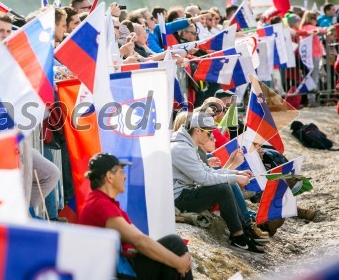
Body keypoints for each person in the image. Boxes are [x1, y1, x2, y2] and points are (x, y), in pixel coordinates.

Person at [78, 153, 193, 279]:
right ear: (109, 176)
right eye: (121, 172)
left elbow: (139, 239)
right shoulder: (101, 205)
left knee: (170, 249)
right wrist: (179, 262)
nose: (125, 176)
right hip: (112, 272)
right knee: (174, 244)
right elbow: (140, 241)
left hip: (117, 267)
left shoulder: (103, 203)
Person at [170, 112, 263, 253]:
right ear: (197, 131)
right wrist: (234, 178)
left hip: (185, 193)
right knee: (223, 189)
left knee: (226, 185)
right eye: (209, 133)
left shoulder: (187, 145)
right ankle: (238, 238)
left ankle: (244, 230)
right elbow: (204, 178)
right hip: (178, 199)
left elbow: (207, 171)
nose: (211, 136)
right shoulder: (181, 148)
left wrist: (235, 173)